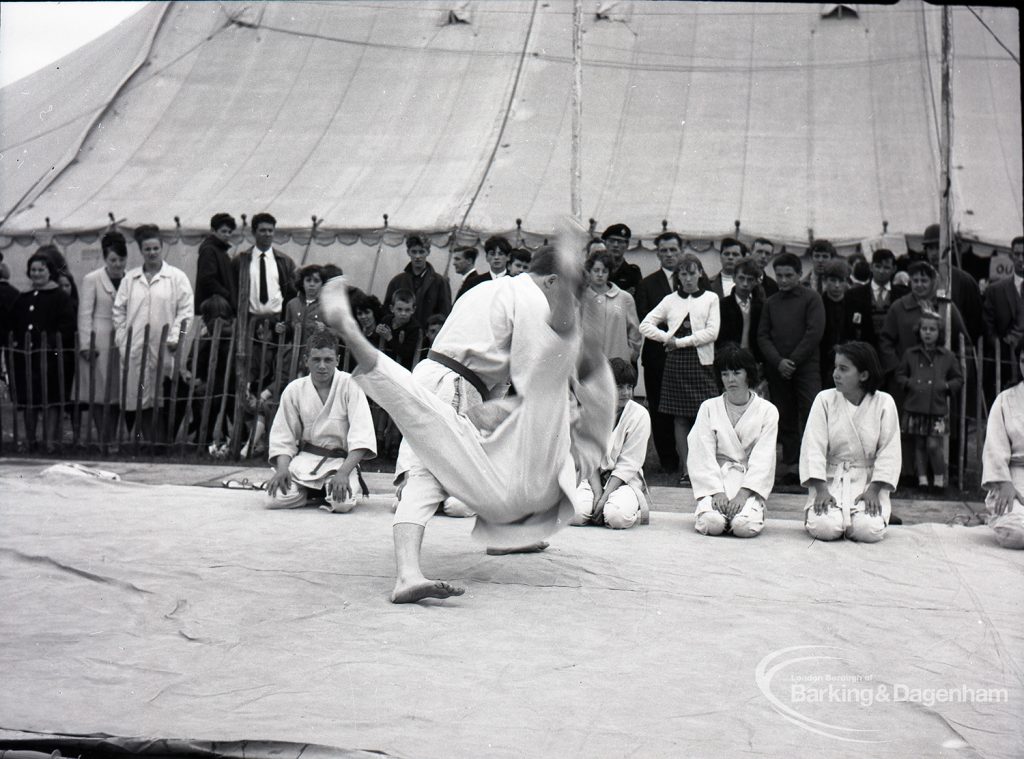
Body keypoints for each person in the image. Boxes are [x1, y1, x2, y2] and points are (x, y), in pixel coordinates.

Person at [321, 242, 615, 604]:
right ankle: (408, 573)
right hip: (456, 386)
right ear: (552, 280)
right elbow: (532, 379)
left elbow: (501, 370)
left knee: (452, 467)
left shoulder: (487, 289)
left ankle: (499, 539)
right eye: (568, 289)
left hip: (436, 374)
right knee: (432, 476)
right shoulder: (533, 300)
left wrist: (501, 411)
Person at [801, 342, 901, 543]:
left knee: (867, 530)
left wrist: (874, 491)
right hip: (830, 480)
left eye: (843, 369)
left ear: (863, 375)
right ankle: (832, 515)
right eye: (835, 367)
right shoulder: (824, 400)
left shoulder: (884, 403)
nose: (835, 374)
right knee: (826, 528)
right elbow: (813, 447)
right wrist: (821, 490)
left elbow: (889, 451)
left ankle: (873, 515)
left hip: (868, 482)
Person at [265, 331, 376, 512]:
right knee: (273, 499)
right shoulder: (295, 389)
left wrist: (343, 473)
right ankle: (314, 492)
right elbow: (283, 436)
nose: (322, 366)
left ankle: (321, 491)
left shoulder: (351, 385)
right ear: (305, 360)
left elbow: (362, 437)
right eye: (316, 359)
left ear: (337, 360)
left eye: (328, 359)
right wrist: (283, 469)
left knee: (342, 504)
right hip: (306, 460)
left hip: (341, 463)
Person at [639, 253, 721, 486]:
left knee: (704, 417)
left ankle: (705, 469)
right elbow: (646, 324)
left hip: (701, 363)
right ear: (678, 277)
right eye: (683, 274)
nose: (688, 278)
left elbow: (712, 333)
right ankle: (686, 471)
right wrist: (667, 337)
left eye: (692, 273)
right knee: (680, 419)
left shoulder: (711, 299)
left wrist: (680, 342)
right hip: (675, 364)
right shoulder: (670, 300)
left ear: (700, 273)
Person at [112, 225, 194, 442]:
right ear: (141, 250)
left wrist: (176, 336)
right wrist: (122, 339)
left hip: (165, 346)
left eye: (155, 248)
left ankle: (163, 441)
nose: (152, 253)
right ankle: (145, 440)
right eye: (147, 249)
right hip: (135, 345)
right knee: (139, 395)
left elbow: (186, 311)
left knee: (163, 393)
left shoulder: (176, 278)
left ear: (161, 248)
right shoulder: (130, 279)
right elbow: (118, 311)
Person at [687, 346, 778, 537]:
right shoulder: (709, 408)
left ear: (749, 374)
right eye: (725, 374)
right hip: (717, 479)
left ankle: (753, 509)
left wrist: (744, 494)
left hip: (748, 482)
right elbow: (701, 452)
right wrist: (715, 491)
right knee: (712, 524)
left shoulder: (767, 411)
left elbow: (764, 457)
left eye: (737, 373)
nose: (731, 379)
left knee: (743, 527)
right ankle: (712, 507)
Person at [757, 252, 826, 485]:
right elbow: (763, 335)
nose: (784, 280)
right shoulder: (771, 302)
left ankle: (813, 465)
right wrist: (778, 362)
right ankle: (793, 465)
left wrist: (793, 361)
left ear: (799, 274)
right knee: (784, 415)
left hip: (806, 368)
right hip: (779, 369)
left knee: (811, 413)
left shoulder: (812, 298)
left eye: (789, 275)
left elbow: (814, 332)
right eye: (779, 276)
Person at [5, 250, 76, 450]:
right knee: (29, 400)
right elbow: (13, 323)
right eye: (33, 270)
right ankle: (30, 440)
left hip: (51, 359)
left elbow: (67, 325)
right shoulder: (22, 298)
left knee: (51, 399)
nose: (36, 274)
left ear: (49, 272)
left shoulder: (59, 297)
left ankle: (50, 441)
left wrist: (51, 343)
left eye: (41, 270)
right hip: (27, 359)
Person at [570, 357, 652, 529]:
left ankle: (631, 505)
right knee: (576, 514)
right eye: (619, 387)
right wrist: (597, 492)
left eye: (629, 387)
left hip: (624, 480)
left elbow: (629, 464)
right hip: (591, 476)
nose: (626, 393)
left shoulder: (640, 415)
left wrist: (605, 497)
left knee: (616, 517)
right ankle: (600, 503)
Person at [895, 312, 963, 494]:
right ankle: (922, 480)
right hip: (915, 405)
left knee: (933, 445)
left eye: (932, 329)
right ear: (919, 331)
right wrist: (910, 383)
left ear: (939, 332)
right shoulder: (911, 354)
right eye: (924, 329)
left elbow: (958, 378)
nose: (928, 333)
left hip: (937, 407)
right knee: (918, 444)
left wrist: (945, 385)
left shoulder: (947, 356)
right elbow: (900, 375)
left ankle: (939, 481)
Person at [635, 231, 682, 473]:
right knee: (660, 408)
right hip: (657, 357)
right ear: (657, 254)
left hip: (686, 356)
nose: (669, 255)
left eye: (673, 250)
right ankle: (668, 459)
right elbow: (645, 318)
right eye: (664, 250)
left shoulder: (691, 278)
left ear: (680, 251)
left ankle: (687, 457)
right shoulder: (647, 284)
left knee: (685, 408)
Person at [76, 230, 128, 442]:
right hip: (99, 341)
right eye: (113, 260)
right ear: (105, 258)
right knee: (99, 392)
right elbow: (85, 313)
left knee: (116, 392)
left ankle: (113, 437)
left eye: (121, 260)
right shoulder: (92, 279)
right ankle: (103, 437)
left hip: (122, 339)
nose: (117, 264)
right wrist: (86, 344)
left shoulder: (131, 279)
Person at [981, 346, 1024, 549]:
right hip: (1013, 478)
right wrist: (1004, 483)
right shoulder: (1006, 400)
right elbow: (994, 448)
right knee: (1015, 530)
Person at [819, 258, 875, 387]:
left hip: (850, 363)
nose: (837, 285)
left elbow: (868, 335)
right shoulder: (818, 304)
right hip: (823, 365)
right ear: (825, 281)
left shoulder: (857, 304)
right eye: (833, 280)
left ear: (847, 281)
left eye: (841, 280)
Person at [232, 212, 297, 323]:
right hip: (249, 321)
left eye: (270, 230)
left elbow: (292, 292)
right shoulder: (241, 261)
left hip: (277, 320)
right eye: (262, 230)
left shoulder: (285, 261)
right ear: (253, 232)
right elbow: (233, 291)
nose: (267, 234)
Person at [581, 248, 641, 364]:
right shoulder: (582, 299)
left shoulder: (624, 298)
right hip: (587, 363)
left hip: (618, 361)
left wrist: (630, 354)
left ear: (609, 272)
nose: (600, 274)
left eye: (604, 271)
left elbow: (634, 330)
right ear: (589, 271)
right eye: (596, 270)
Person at [981, 236, 1023, 392]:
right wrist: (1000, 346)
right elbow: (988, 325)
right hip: (1006, 361)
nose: (1021, 259)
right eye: (1017, 254)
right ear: (1011, 256)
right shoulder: (996, 290)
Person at [384, 233, 451, 330]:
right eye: (414, 252)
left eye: (421, 252)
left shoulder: (440, 282)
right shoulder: (397, 281)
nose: (417, 256)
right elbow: (388, 311)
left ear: (428, 252)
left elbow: (445, 314)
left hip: (428, 337)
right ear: (408, 252)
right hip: (402, 338)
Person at [850, 248, 908, 340]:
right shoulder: (854, 294)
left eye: (886, 267)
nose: (881, 271)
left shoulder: (903, 295)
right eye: (878, 266)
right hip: (865, 349)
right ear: (871, 267)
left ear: (894, 269)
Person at [716, 259, 763, 361]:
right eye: (741, 278)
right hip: (729, 359)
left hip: (753, 360)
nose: (745, 284)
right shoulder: (722, 305)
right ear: (734, 278)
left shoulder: (761, 307)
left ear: (756, 282)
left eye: (750, 279)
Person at [283, 263, 325, 372]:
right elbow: (287, 329)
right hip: (293, 358)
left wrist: (325, 329)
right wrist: (283, 327)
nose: (312, 284)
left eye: (316, 281)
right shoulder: (292, 304)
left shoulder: (327, 307)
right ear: (302, 282)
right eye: (308, 280)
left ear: (322, 284)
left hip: (316, 359)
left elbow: (337, 333)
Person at [195, 212, 238, 315]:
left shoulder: (220, 250)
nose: (227, 235)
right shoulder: (209, 250)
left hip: (219, 306)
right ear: (213, 231)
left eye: (229, 232)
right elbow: (207, 279)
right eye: (223, 231)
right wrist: (228, 295)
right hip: (215, 308)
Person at [377, 289, 422, 371]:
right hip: (384, 365)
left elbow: (406, 353)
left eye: (407, 310)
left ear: (413, 310)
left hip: (402, 369)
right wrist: (377, 331)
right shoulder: (386, 320)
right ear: (392, 308)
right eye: (399, 309)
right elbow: (377, 341)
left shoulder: (414, 328)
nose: (403, 313)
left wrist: (390, 338)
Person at [456, 235, 509, 300]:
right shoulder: (474, 282)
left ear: (508, 257)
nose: (496, 257)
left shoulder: (513, 281)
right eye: (492, 254)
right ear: (486, 257)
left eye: (500, 254)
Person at [601, 223, 642, 295]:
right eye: (612, 241)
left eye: (620, 241)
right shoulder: (597, 269)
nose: (615, 245)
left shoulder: (633, 272)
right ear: (605, 243)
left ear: (627, 245)